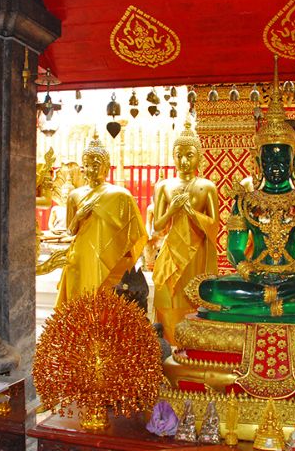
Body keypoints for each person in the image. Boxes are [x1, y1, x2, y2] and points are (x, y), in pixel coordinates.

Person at [186, 58, 295, 324]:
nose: (275, 166)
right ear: (258, 161)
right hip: (253, 279)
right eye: (268, 159)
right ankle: (278, 304)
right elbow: (234, 249)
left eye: (281, 159)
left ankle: (266, 305)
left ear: (294, 160)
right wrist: (248, 271)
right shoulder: (245, 201)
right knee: (207, 289)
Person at [55, 134, 147, 306]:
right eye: (86, 165)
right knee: (80, 299)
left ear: (106, 168)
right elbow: (70, 231)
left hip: (109, 255)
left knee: (104, 299)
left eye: (96, 165)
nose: (91, 170)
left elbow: (132, 232)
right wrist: (78, 216)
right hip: (82, 255)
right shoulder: (75, 195)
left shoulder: (120, 195)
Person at [152, 119, 218, 344]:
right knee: (167, 294)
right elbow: (158, 226)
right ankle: (170, 339)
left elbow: (214, 224)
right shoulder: (164, 186)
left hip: (195, 251)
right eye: (178, 155)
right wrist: (171, 211)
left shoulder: (207, 186)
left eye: (189, 155)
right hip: (171, 249)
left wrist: (191, 212)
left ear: (199, 157)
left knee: (191, 295)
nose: (183, 161)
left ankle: (192, 342)